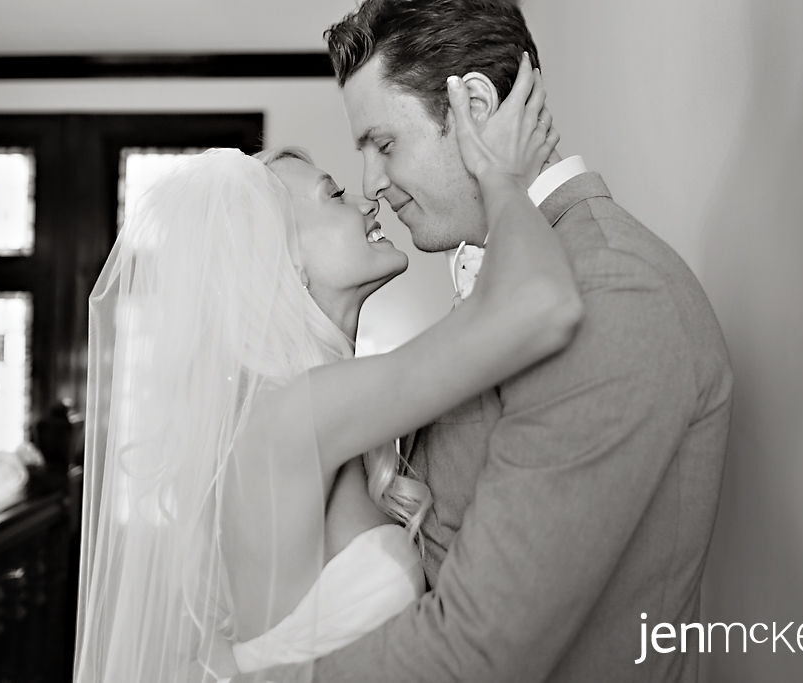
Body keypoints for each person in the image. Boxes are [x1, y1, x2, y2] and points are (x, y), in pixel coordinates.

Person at [73, 61, 578, 682]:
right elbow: (543, 305)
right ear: (280, 258)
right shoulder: (293, 413)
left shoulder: (302, 409)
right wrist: (500, 176)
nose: (368, 198)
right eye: (333, 195)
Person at [314, 1, 734, 681]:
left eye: (384, 145)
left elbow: (480, 649)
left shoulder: (610, 290)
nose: (372, 186)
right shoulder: (525, 272)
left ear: (475, 107)